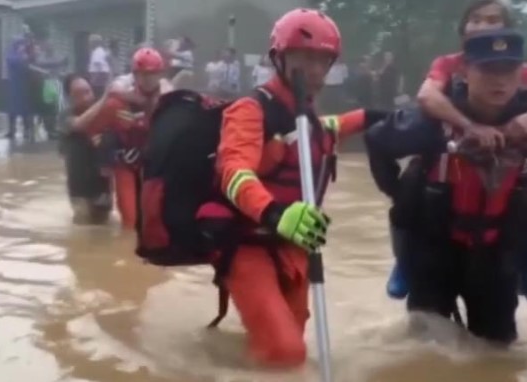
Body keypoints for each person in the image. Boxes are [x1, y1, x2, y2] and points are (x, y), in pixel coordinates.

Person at [215, 8, 382, 367]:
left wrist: (373, 117)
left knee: (291, 344)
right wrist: (275, 213)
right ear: (279, 58)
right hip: (248, 243)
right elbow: (233, 171)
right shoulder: (250, 110)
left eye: (324, 61)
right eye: (306, 58)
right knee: (285, 352)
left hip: (295, 245)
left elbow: (329, 127)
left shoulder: (308, 117)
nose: (316, 71)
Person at [366, 29, 527, 345]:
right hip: (435, 248)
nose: (500, 81)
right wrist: (399, 193)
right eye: (488, 69)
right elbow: (377, 140)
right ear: (465, 71)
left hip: (496, 252)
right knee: (429, 348)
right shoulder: (431, 120)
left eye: (508, 70)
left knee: (497, 350)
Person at [387, 0, 527, 299]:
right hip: (447, 162)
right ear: (464, 28)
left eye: (493, 19)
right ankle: (405, 257)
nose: (484, 26)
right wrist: (469, 127)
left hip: (500, 194)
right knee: (415, 186)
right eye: (476, 19)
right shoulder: (448, 64)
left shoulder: (518, 66)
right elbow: (427, 96)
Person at [77, 47, 168, 230]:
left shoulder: (168, 99)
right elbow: (93, 131)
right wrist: (108, 156)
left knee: (157, 219)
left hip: (153, 165)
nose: (148, 79)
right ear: (134, 74)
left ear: (160, 74)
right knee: (130, 222)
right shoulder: (117, 103)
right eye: (142, 74)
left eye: (152, 74)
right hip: (125, 165)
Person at [58, 74, 112, 224]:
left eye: (87, 91)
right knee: (83, 230)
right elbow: (79, 124)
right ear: (70, 98)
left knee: (104, 228)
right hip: (79, 191)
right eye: (79, 94)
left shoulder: (105, 114)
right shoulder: (64, 117)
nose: (86, 97)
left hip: (102, 188)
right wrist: (105, 97)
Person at [5, 38, 34, 139]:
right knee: (12, 109)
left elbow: (30, 66)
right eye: (21, 45)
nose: (22, 47)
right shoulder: (12, 56)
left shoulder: (26, 56)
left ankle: (27, 130)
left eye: (23, 45)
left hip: (24, 86)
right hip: (14, 86)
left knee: (25, 109)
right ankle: (11, 130)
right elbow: (15, 62)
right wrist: (23, 57)